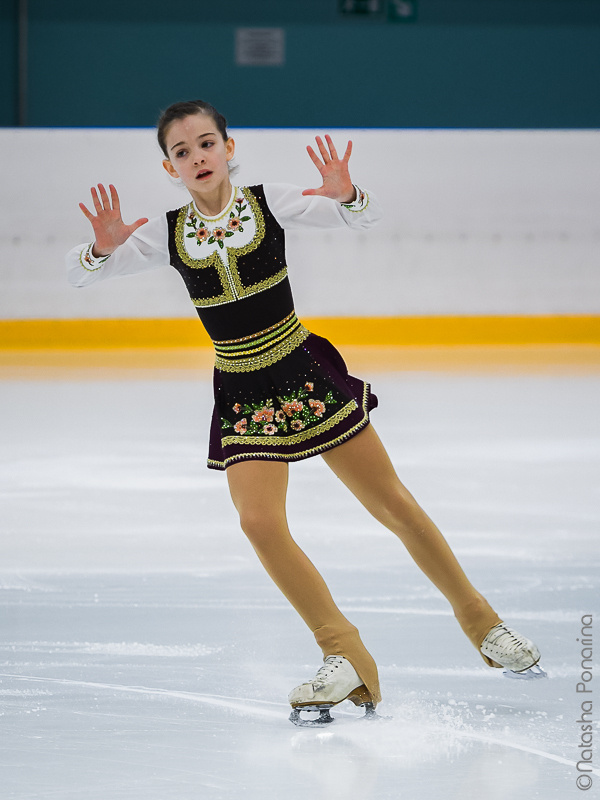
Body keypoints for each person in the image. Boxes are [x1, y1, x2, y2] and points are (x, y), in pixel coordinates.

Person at [66, 100, 543, 726]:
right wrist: (100, 252)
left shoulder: (270, 202)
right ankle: (344, 655)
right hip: (242, 391)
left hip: (302, 371)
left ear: (229, 148)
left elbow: (359, 219)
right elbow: (82, 276)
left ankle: (482, 622)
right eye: (183, 152)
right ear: (169, 167)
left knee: (391, 503)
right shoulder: (167, 231)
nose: (198, 157)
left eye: (207, 143)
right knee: (259, 523)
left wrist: (348, 195)